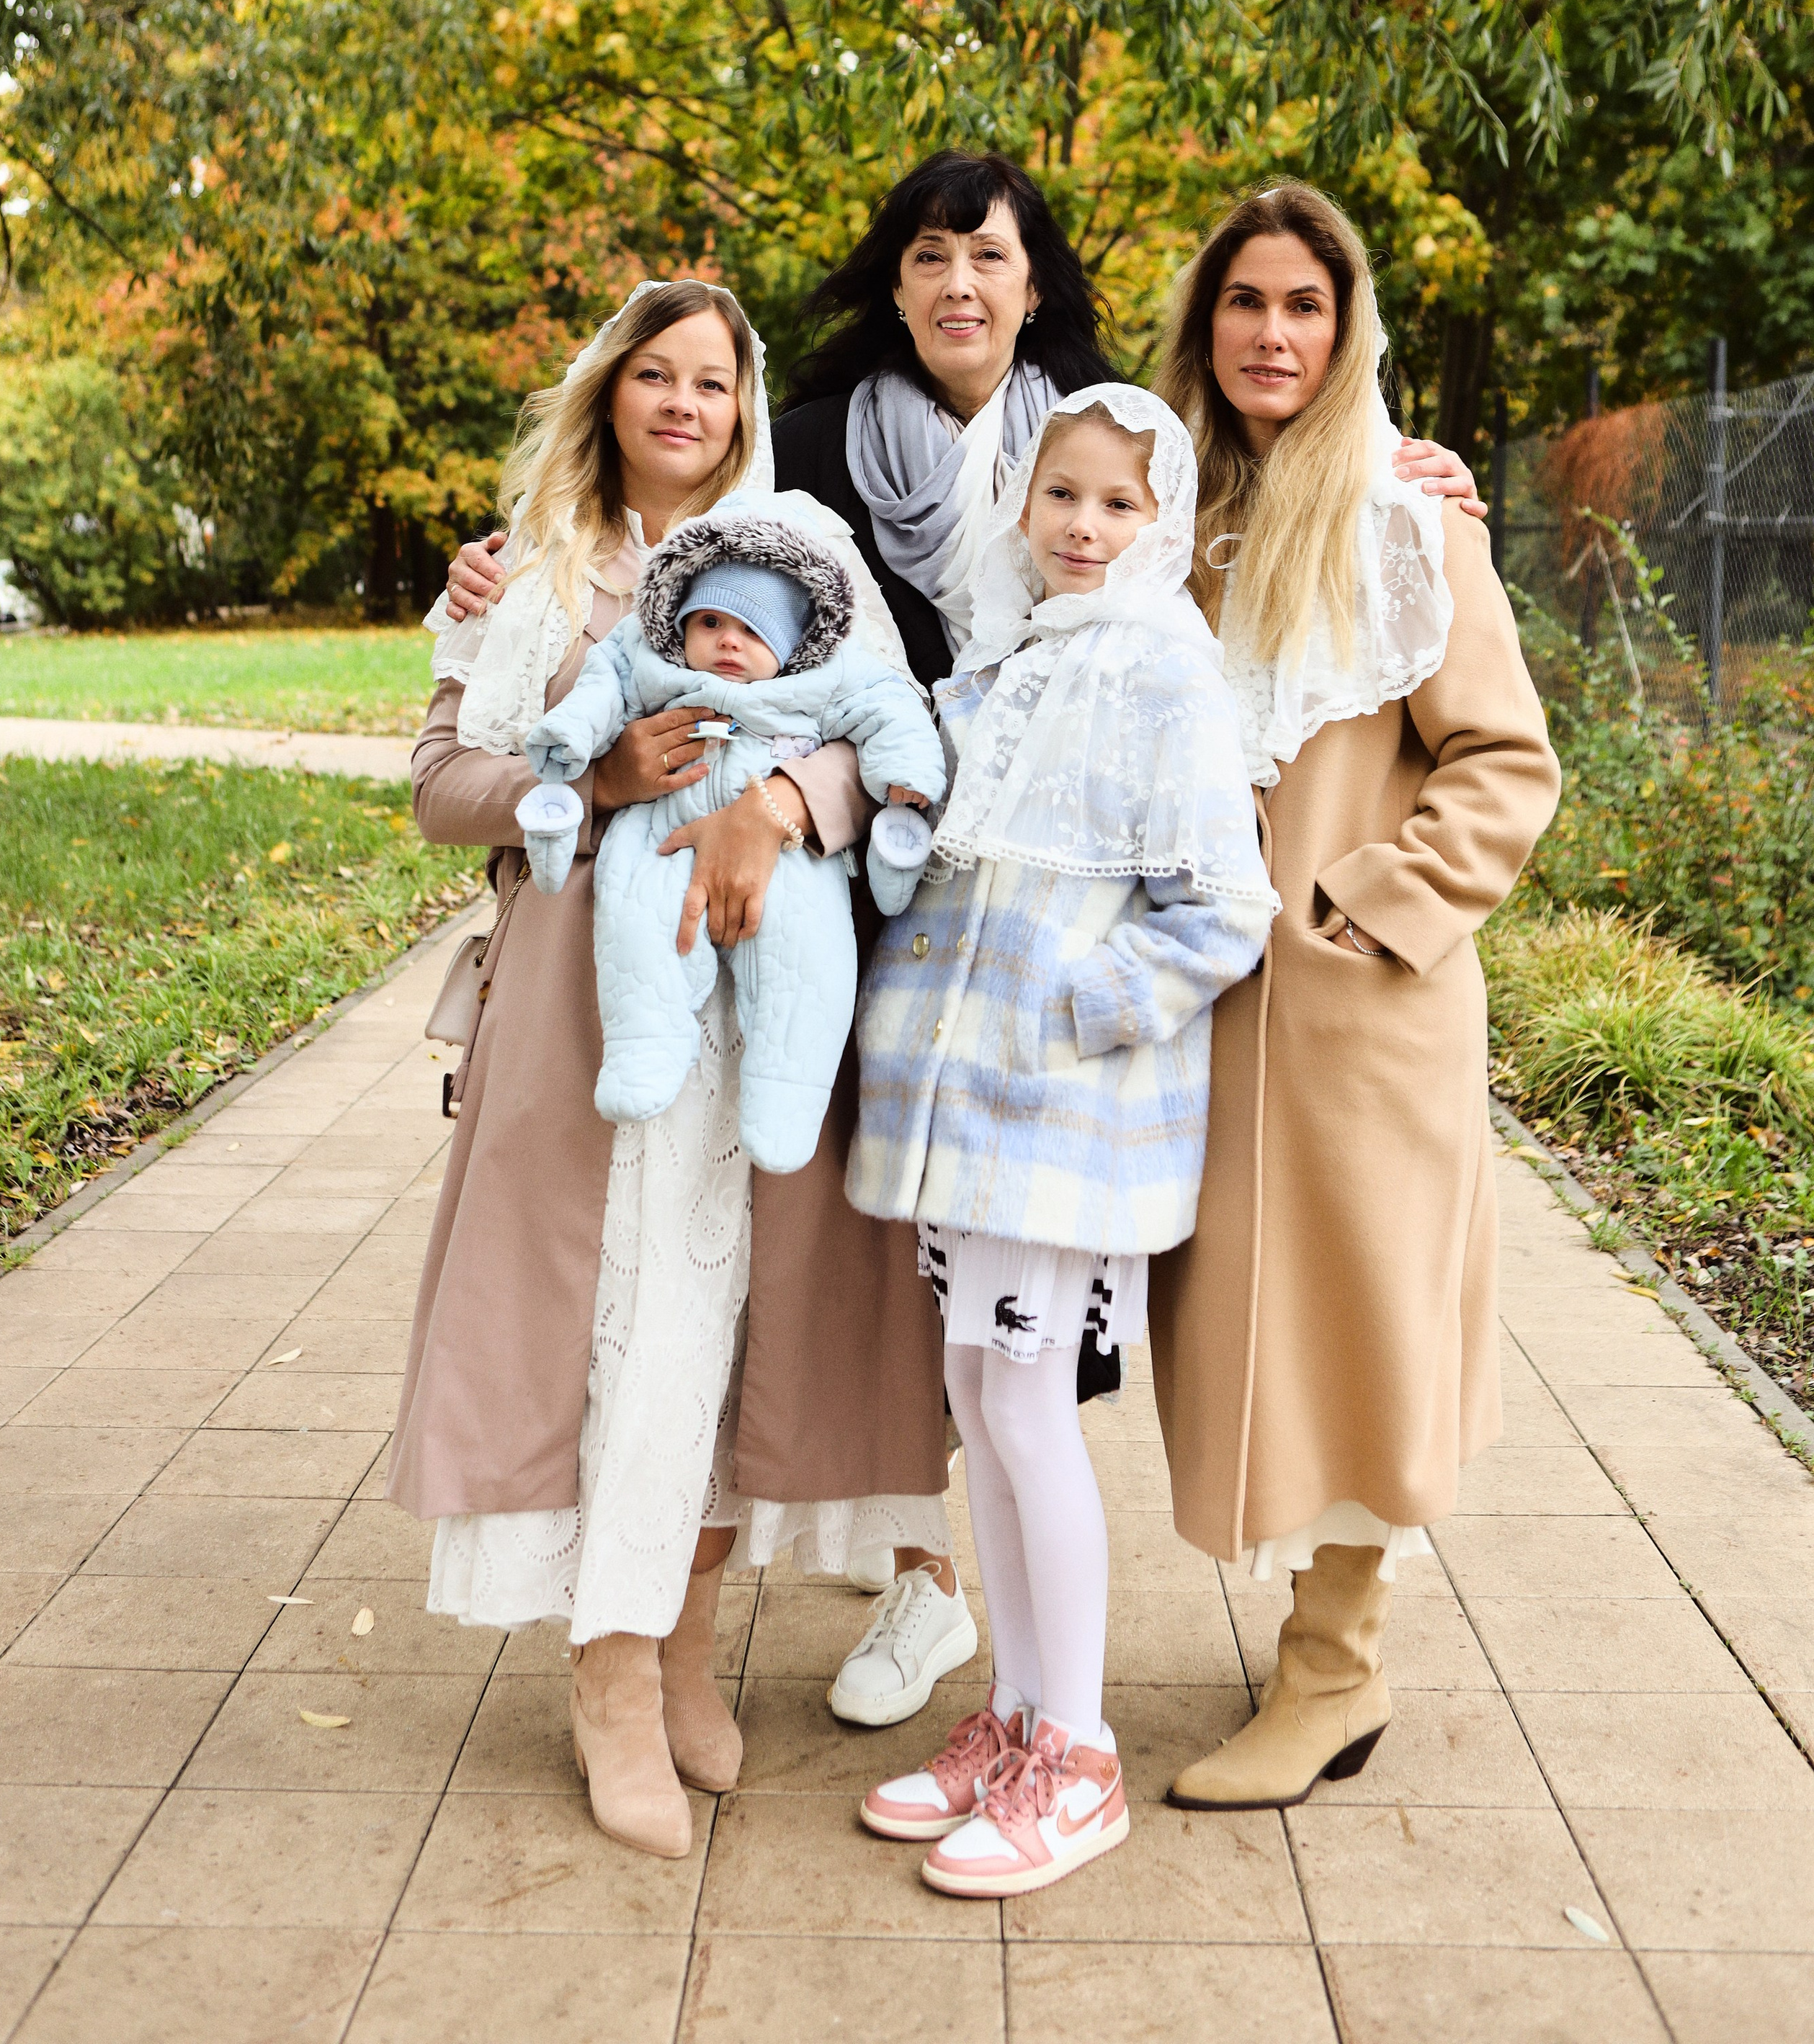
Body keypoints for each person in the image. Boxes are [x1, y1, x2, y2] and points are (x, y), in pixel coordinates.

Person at [439, 146, 1485, 1724]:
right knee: (867, 1284)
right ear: (897, 276)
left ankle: (1010, 1645)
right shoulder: (794, 460)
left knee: (1027, 1352)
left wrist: (1413, 475)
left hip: (1066, 974)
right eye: (931, 253)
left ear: (1032, 287)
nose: (960, 284)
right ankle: (925, 1601)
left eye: (991, 257)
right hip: (888, 935)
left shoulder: (1104, 448)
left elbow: (1212, 635)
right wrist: (514, 594)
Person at [391, 277, 952, 1862]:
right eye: (656, 376)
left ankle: (686, 1641)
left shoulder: (804, 550)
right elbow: (440, 783)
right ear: (608, 393)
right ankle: (609, 1679)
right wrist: (609, 772)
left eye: (711, 379)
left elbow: (888, 730)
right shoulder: (531, 571)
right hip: (597, 1014)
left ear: (740, 403)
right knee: (618, 1340)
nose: (684, 405)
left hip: (766, 1015)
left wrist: (773, 805)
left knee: (728, 1338)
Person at [1145, 179, 1561, 1810]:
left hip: (1354, 1010)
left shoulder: (1405, 514)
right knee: (1245, 1334)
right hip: (1208, 1014)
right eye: (1243, 302)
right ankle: (1315, 1639)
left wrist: (1359, 910)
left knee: (1358, 1335)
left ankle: (1334, 1670)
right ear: (1207, 323)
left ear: (1344, 329)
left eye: (1301, 307)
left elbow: (1504, 760)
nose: (1269, 332)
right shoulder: (1173, 509)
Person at [845, 386, 1276, 1895]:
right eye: (1063, 496)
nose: (1084, 527)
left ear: (1160, 527)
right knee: (981, 1395)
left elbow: (1222, 907)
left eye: (1117, 504)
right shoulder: (1009, 665)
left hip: (1060, 1117)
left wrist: (1077, 1011)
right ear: (1024, 506)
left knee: (1026, 1412)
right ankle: (1016, 1717)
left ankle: (1076, 1757)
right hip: (970, 1120)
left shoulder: (1164, 677)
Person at [522, 512, 944, 1169]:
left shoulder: (824, 675)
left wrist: (907, 775)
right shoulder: (648, 659)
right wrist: (574, 737)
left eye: (752, 631)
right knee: (636, 926)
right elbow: (599, 688)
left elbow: (891, 706)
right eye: (711, 622)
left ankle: (789, 1092)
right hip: (661, 832)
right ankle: (644, 1047)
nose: (727, 643)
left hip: (785, 858)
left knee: (810, 957)